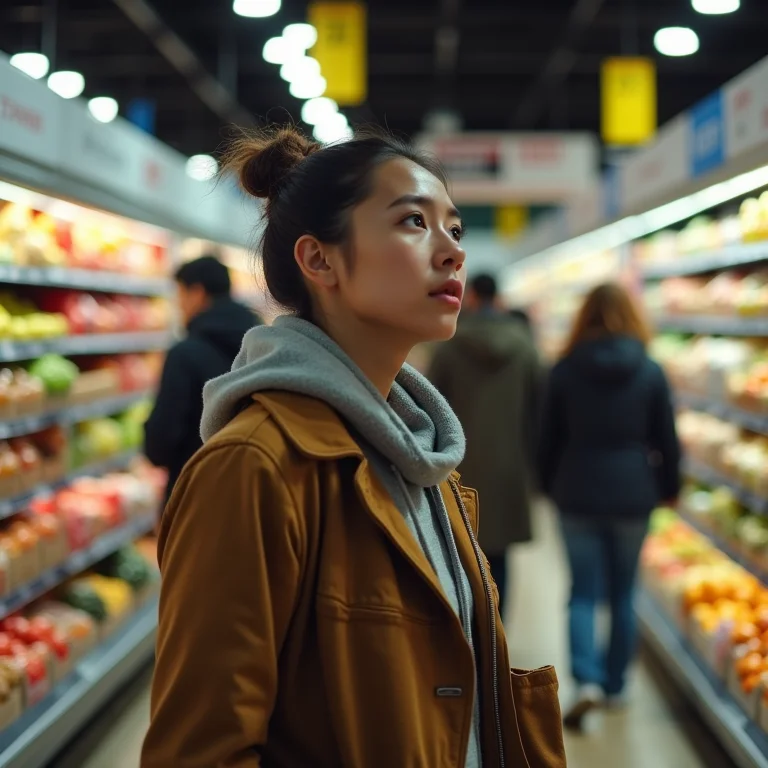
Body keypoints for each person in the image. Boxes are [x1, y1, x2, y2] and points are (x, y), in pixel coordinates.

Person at [141, 127, 566, 768]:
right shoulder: (253, 468)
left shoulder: (422, 455)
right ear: (320, 261)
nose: (451, 253)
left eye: (455, 229)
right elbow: (200, 750)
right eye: (414, 222)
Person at [537, 282, 681, 730]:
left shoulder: (563, 370)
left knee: (581, 592)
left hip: (577, 487)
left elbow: (546, 439)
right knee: (623, 591)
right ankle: (617, 684)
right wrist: (668, 487)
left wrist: (548, 485)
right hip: (633, 491)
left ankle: (586, 682)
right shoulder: (650, 370)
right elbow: (667, 439)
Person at [428, 273, 541, 622]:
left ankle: (468, 633)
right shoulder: (524, 345)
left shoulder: (448, 346)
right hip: (510, 466)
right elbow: (539, 407)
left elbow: (431, 406)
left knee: (461, 551)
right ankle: (497, 629)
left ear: (472, 297)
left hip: (459, 468)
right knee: (501, 558)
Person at [143, 255, 258, 502]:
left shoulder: (185, 354)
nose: (180, 306)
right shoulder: (260, 347)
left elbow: (160, 444)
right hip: (249, 491)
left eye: (180, 296)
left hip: (193, 494)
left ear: (197, 293)